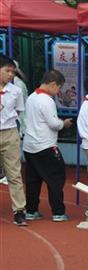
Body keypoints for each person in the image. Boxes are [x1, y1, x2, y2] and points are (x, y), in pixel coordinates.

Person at [22, 70, 73, 222]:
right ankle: (58, 212)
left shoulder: (32, 97)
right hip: (45, 145)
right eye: (59, 88)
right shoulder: (47, 100)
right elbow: (53, 124)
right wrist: (63, 123)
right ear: (52, 84)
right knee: (56, 178)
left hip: (29, 146)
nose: (58, 92)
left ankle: (31, 210)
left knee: (33, 180)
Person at [0, 54, 27, 225]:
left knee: (14, 173)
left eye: (12, 71)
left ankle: (19, 211)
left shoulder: (16, 91)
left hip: (9, 133)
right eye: (7, 71)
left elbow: (18, 112)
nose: (11, 74)